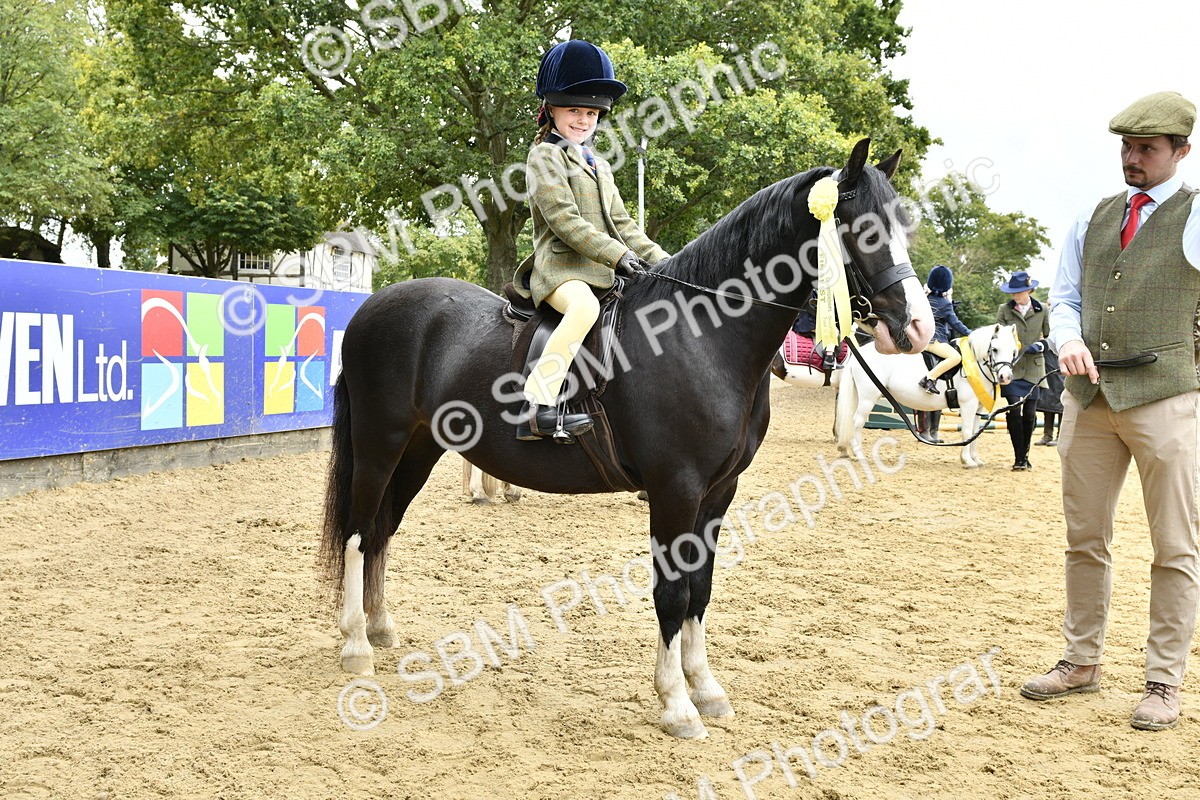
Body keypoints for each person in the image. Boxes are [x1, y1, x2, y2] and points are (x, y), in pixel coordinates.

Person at [1021, 91, 1200, 731]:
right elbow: (1064, 296)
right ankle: (1080, 660)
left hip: (1168, 400)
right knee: (1084, 539)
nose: (1132, 158)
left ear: (1181, 151)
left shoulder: (1196, 215)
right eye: (1126, 147)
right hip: (1089, 400)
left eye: (1146, 149)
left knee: (1175, 547)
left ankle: (1162, 681)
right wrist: (1067, 338)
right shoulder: (1092, 217)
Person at [513, 40, 669, 441]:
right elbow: (565, 221)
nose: (583, 120)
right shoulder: (543, 157)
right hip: (561, 271)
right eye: (574, 111)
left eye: (592, 113)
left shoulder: (598, 164)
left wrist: (667, 263)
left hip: (603, 268)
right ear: (551, 110)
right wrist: (618, 256)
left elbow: (623, 223)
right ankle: (537, 406)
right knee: (583, 310)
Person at [996, 271, 1050, 470]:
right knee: (1014, 410)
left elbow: (1051, 337)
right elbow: (999, 336)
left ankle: (1025, 454)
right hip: (1012, 368)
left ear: (1028, 290)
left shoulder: (1043, 309)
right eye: (1012, 293)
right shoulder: (1004, 310)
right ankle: (1019, 457)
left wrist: (1041, 345)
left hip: (1034, 368)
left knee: (1029, 413)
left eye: (1018, 292)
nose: (1014, 296)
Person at [918, 265, 971, 394]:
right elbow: (956, 324)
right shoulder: (944, 304)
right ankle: (929, 379)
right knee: (955, 357)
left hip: (920, 337)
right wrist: (972, 334)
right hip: (934, 341)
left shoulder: (924, 298)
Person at [1035, 340, 1064, 446]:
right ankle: (1047, 435)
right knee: (1047, 406)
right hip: (1048, 374)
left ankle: (1060, 436)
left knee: (1061, 406)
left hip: (1060, 372)